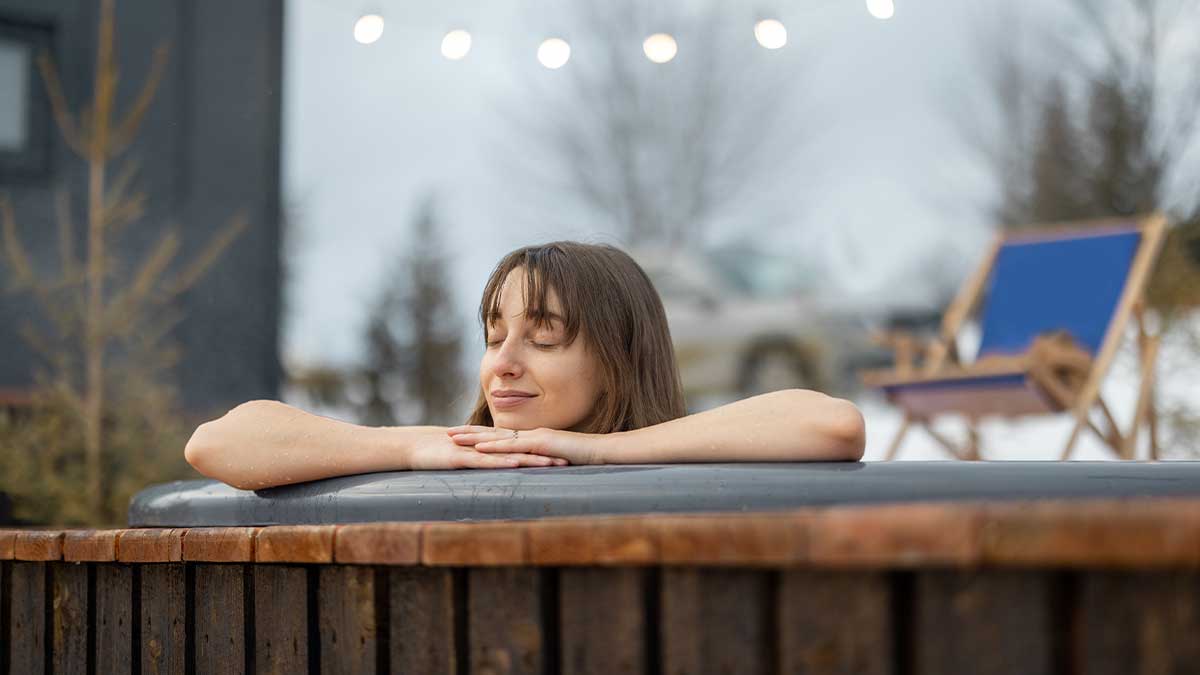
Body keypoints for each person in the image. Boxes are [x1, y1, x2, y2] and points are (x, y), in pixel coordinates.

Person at [185, 241, 866, 490]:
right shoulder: (464, 455)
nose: (504, 363)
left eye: (544, 339)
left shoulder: (681, 465)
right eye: (494, 336)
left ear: (620, 358)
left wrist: (595, 451)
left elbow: (833, 424)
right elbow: (215, 442)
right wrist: (420, 449)